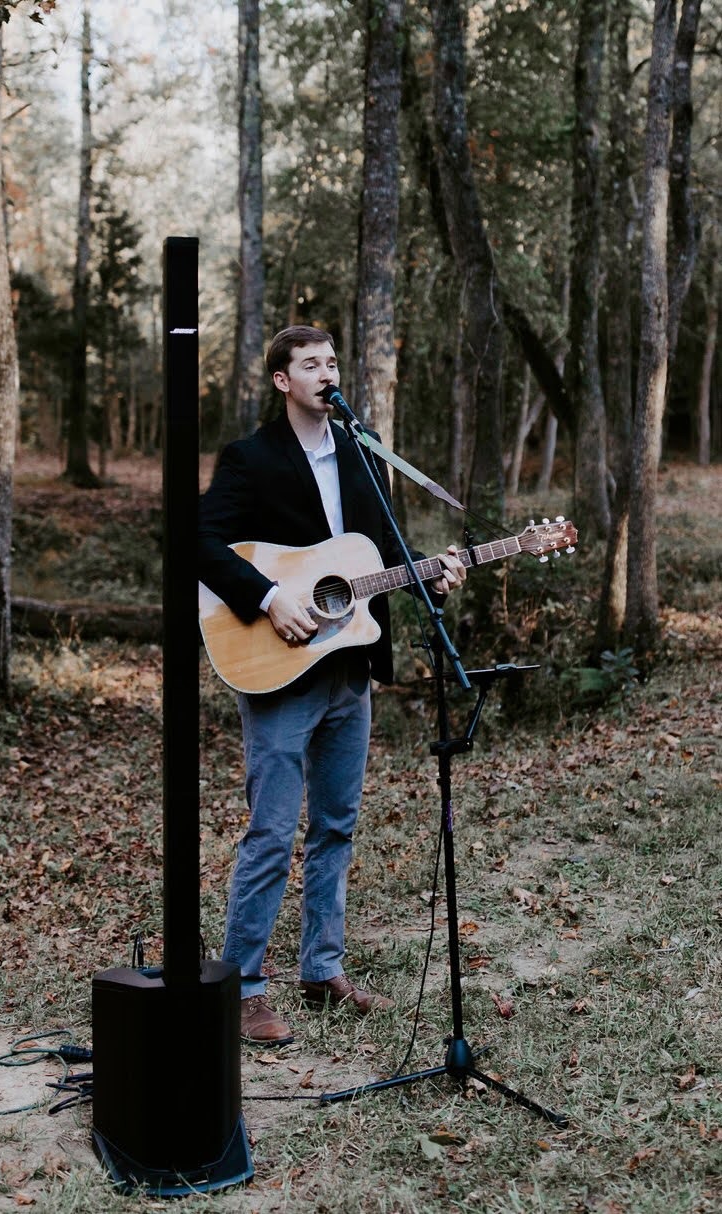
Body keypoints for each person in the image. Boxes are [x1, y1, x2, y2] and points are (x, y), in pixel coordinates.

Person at [199, 325, 467, 1044]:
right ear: (283, 380)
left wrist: (433, 576)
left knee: (337, 825)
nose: (327, 372)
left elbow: (381, 554)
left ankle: (322, 968)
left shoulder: (360, 448)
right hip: (281, 668)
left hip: (349, 667)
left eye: (332, 362)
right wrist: (267, 598)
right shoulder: (250, 458)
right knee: (271, 831)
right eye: (310, 364)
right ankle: (245, 986)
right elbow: (197, 540)